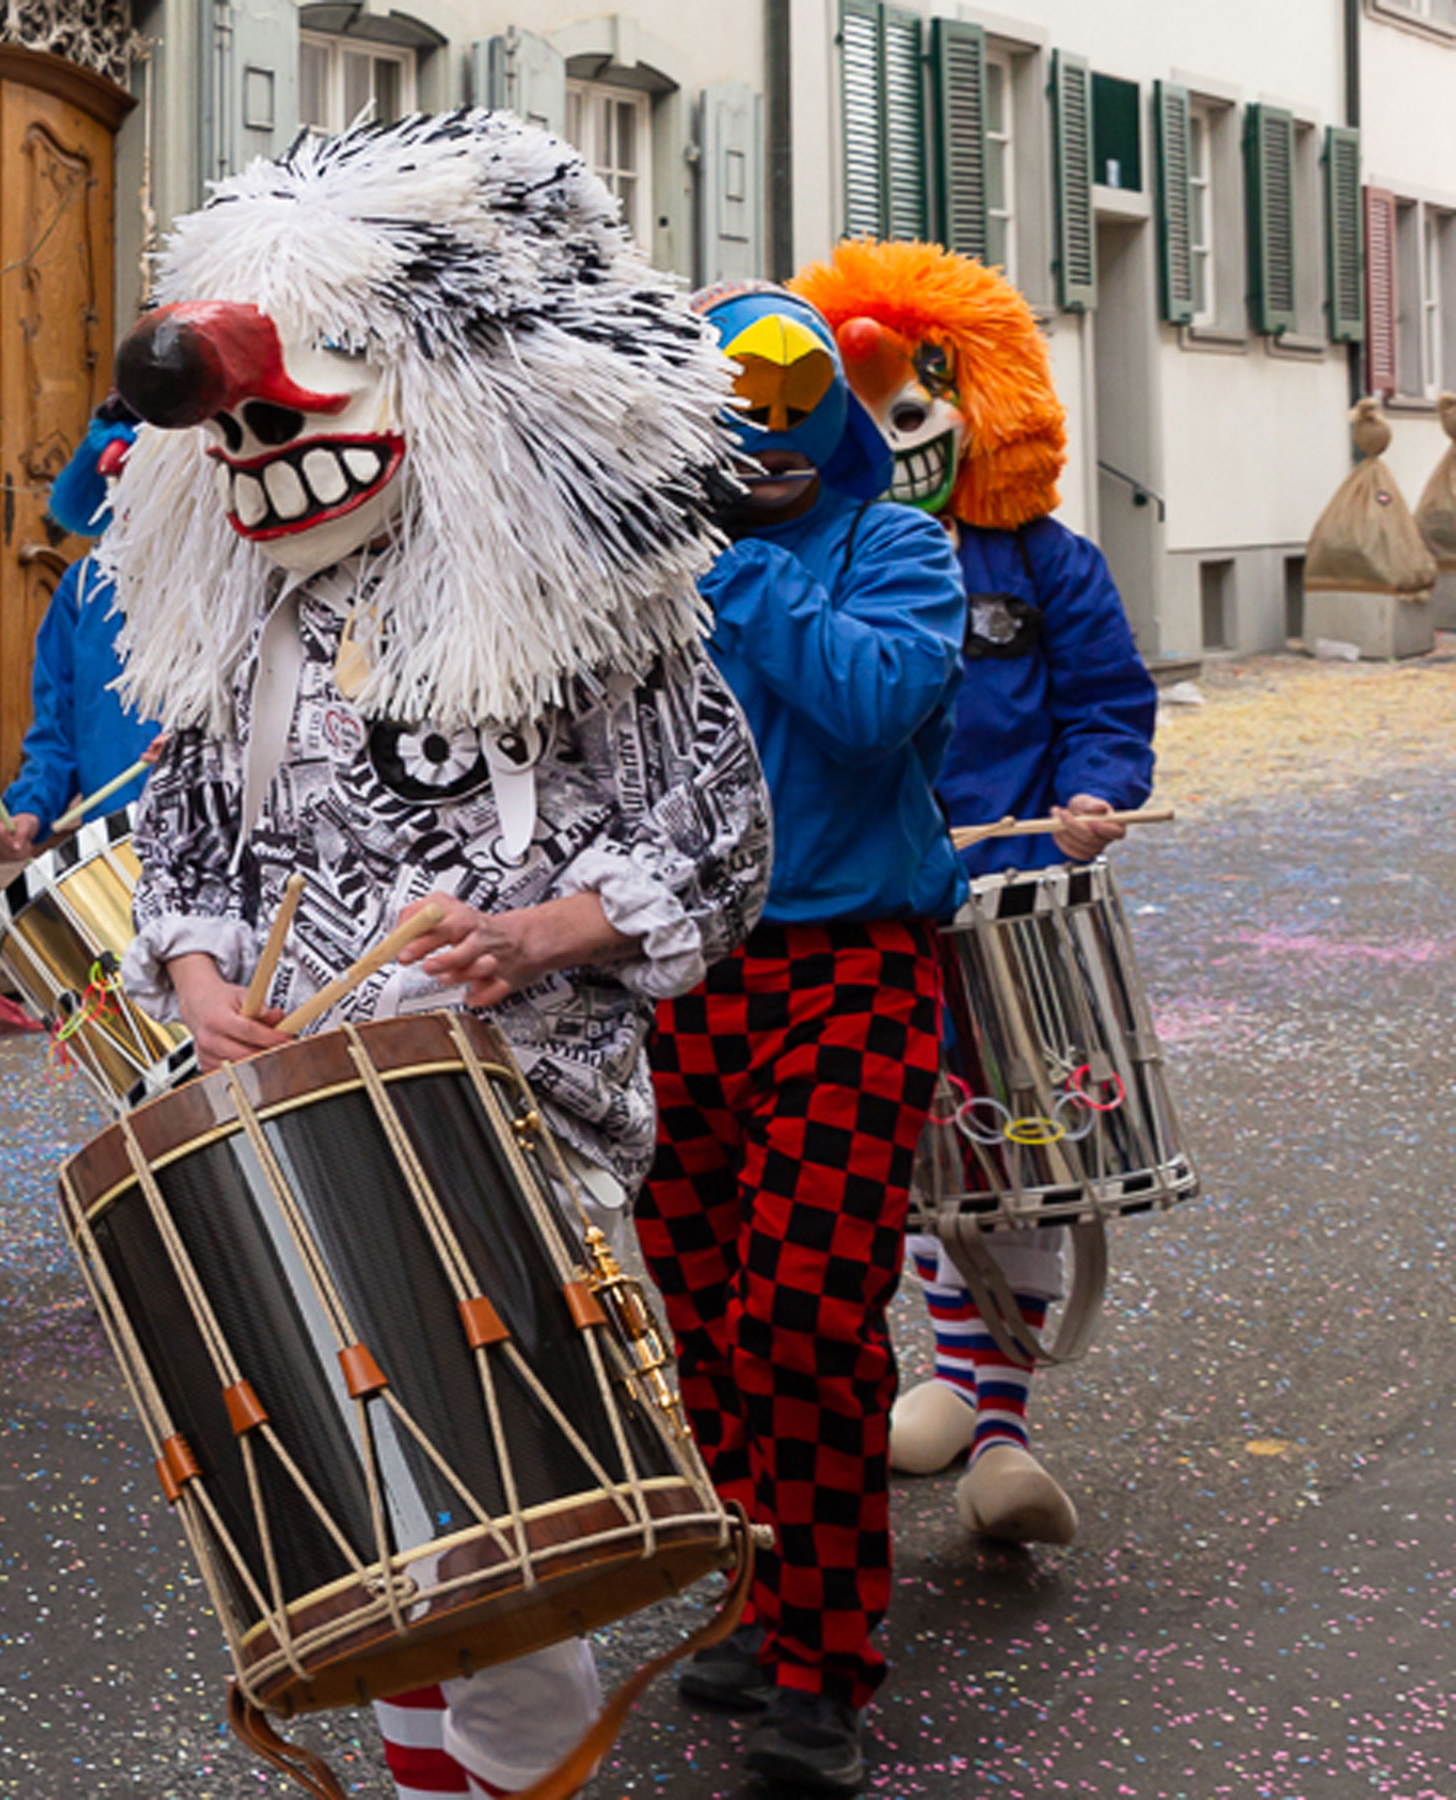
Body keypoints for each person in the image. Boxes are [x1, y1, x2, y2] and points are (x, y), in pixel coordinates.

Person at [92, 113, 772, 1800]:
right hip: (289, 1126)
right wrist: (198, 993)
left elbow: (718, 841)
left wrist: (530, 932)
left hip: (513, 1114)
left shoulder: (588, 616)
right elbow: (182, 854)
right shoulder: (241, 627)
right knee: (373, 1547)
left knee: (502, 1558)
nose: (256, 421)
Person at [641, 281, 969, 1796]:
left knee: (801, 1314)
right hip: (679, 979)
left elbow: (870, 699)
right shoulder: (636, 579)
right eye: (733, 417)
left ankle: (824, 1659)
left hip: (849, 975)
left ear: (836, 407)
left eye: (792, 408)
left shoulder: (891, 545)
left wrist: (731, 565)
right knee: (701, 1314)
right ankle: (760, 1588)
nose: (766, 440)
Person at [794, 240, 1160, 1548]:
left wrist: (1091, 795)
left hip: (1009, 917)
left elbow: (1108, 705)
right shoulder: (821, 560)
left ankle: (994, 1428)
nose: (897, 438)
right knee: (885, 1177)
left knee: (1013, 1164)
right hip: (863, 914)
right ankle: (954, 1382)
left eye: (917, 409)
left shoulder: (1044, 564)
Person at [0, 403, 158, 856]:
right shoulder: (84, 587)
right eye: (116, 486)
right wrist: (31, 806)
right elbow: (57, 730)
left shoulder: (234, 587)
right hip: (118, 847)